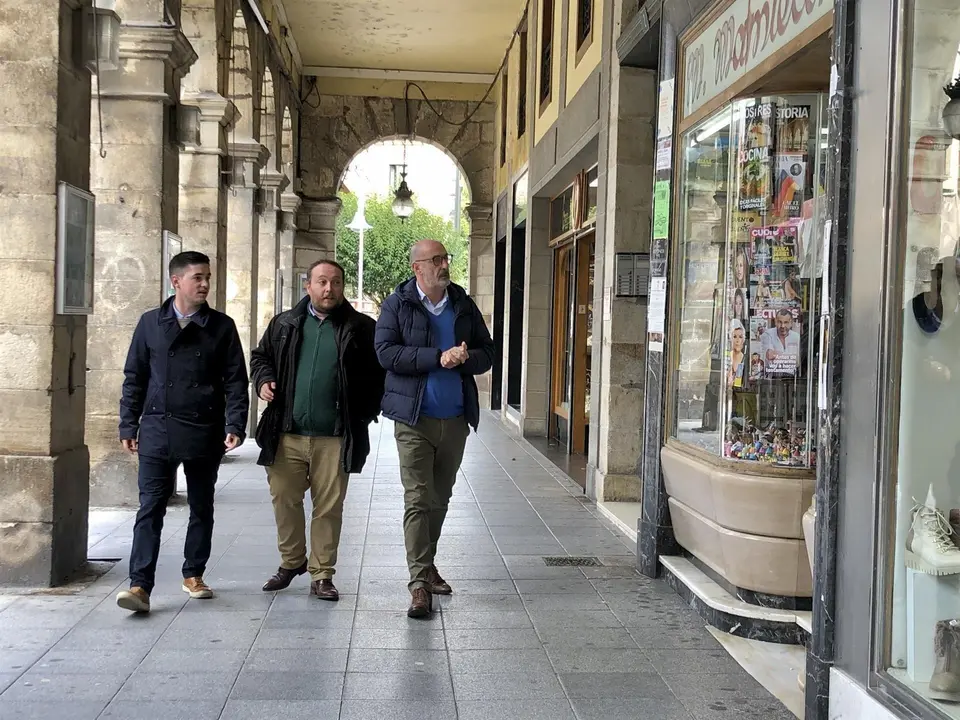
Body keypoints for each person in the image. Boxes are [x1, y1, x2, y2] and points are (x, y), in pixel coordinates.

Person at [116, 251, 249, 613]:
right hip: (157, 427)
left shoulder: (222, 326)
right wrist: (128, 422)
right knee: (150, 508)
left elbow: (236, 380)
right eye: (198, 278)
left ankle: (194, 573)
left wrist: (235, 423)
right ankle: (140, 584)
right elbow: (135, 377)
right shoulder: (149, 323)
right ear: (176, 282)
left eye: (207, 277)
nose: (205, 284)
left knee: (201, 505)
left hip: (204, 427)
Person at [250, 260, 384, 601]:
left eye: (336, 282)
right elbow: (260, 357)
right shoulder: (285, 324)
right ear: (308, 286)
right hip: (287, 433)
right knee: (284, 499)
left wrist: (364, 415)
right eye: (322, 282)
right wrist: (264, 380)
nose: (329, 289)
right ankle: (292, 561)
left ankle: (322, 573)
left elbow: (378, 376)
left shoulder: (361, 328)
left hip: (335, 436)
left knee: (328, 507)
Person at [375, 239, 495, 618]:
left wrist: (464, 358)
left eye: (446, 258)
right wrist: (436, 357)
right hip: (415, 419)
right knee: (418, 498)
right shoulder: (398, 305)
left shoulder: (461, 303)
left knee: (440, 499)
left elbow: (488, 353)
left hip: (456, 419)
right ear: (417, 268)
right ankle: (418, 584)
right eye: (436, 260)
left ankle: (427, 565)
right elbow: (386, 353)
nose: (444, 265)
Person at [760, 308, 801, 377]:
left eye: (786, 322)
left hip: (792, 378)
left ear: (791, 323)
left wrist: (777, 355)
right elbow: (769, 355)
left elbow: (797, 362)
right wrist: (790, 358)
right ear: (775, 322)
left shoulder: (796, 337)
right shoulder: (767, 334)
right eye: (780, 322)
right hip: (772, 378)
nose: (782, 326)